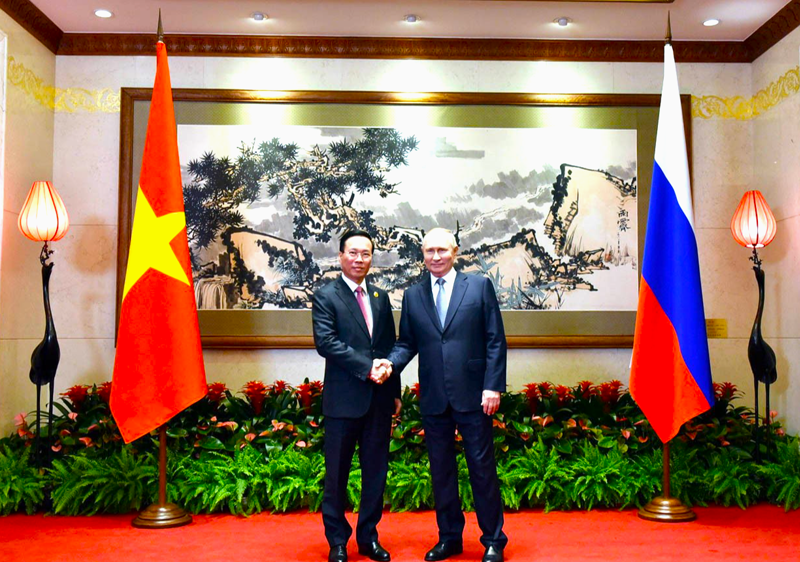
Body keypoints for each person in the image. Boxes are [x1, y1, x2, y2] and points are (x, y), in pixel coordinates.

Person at [384, 227, 508, 562]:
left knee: (482, 468)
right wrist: (388, 365)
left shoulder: (479, 286)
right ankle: (450, 537)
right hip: (434, 397)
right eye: (429, 251)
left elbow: (495, 339)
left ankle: (494, 539)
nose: (435, 257)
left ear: (455, 251)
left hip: (474, 394)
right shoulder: (413, 295)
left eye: (441, 250)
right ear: (422, 255)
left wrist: (492, 385)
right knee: (441, 471)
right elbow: (407, 343)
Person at [312, 230, 402, 562]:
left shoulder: (380, 296)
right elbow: (327, 343)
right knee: (336, 474)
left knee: (375, 473)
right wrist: (367, 368)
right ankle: (337, 540)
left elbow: (390, 348)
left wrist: (394, 391)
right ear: (340, 256)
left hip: (379, 401)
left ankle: (368, 537)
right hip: (343, 401)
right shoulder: (326, 296)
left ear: (371, 258)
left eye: (365, 254)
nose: (359, 259)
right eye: (352, 253)